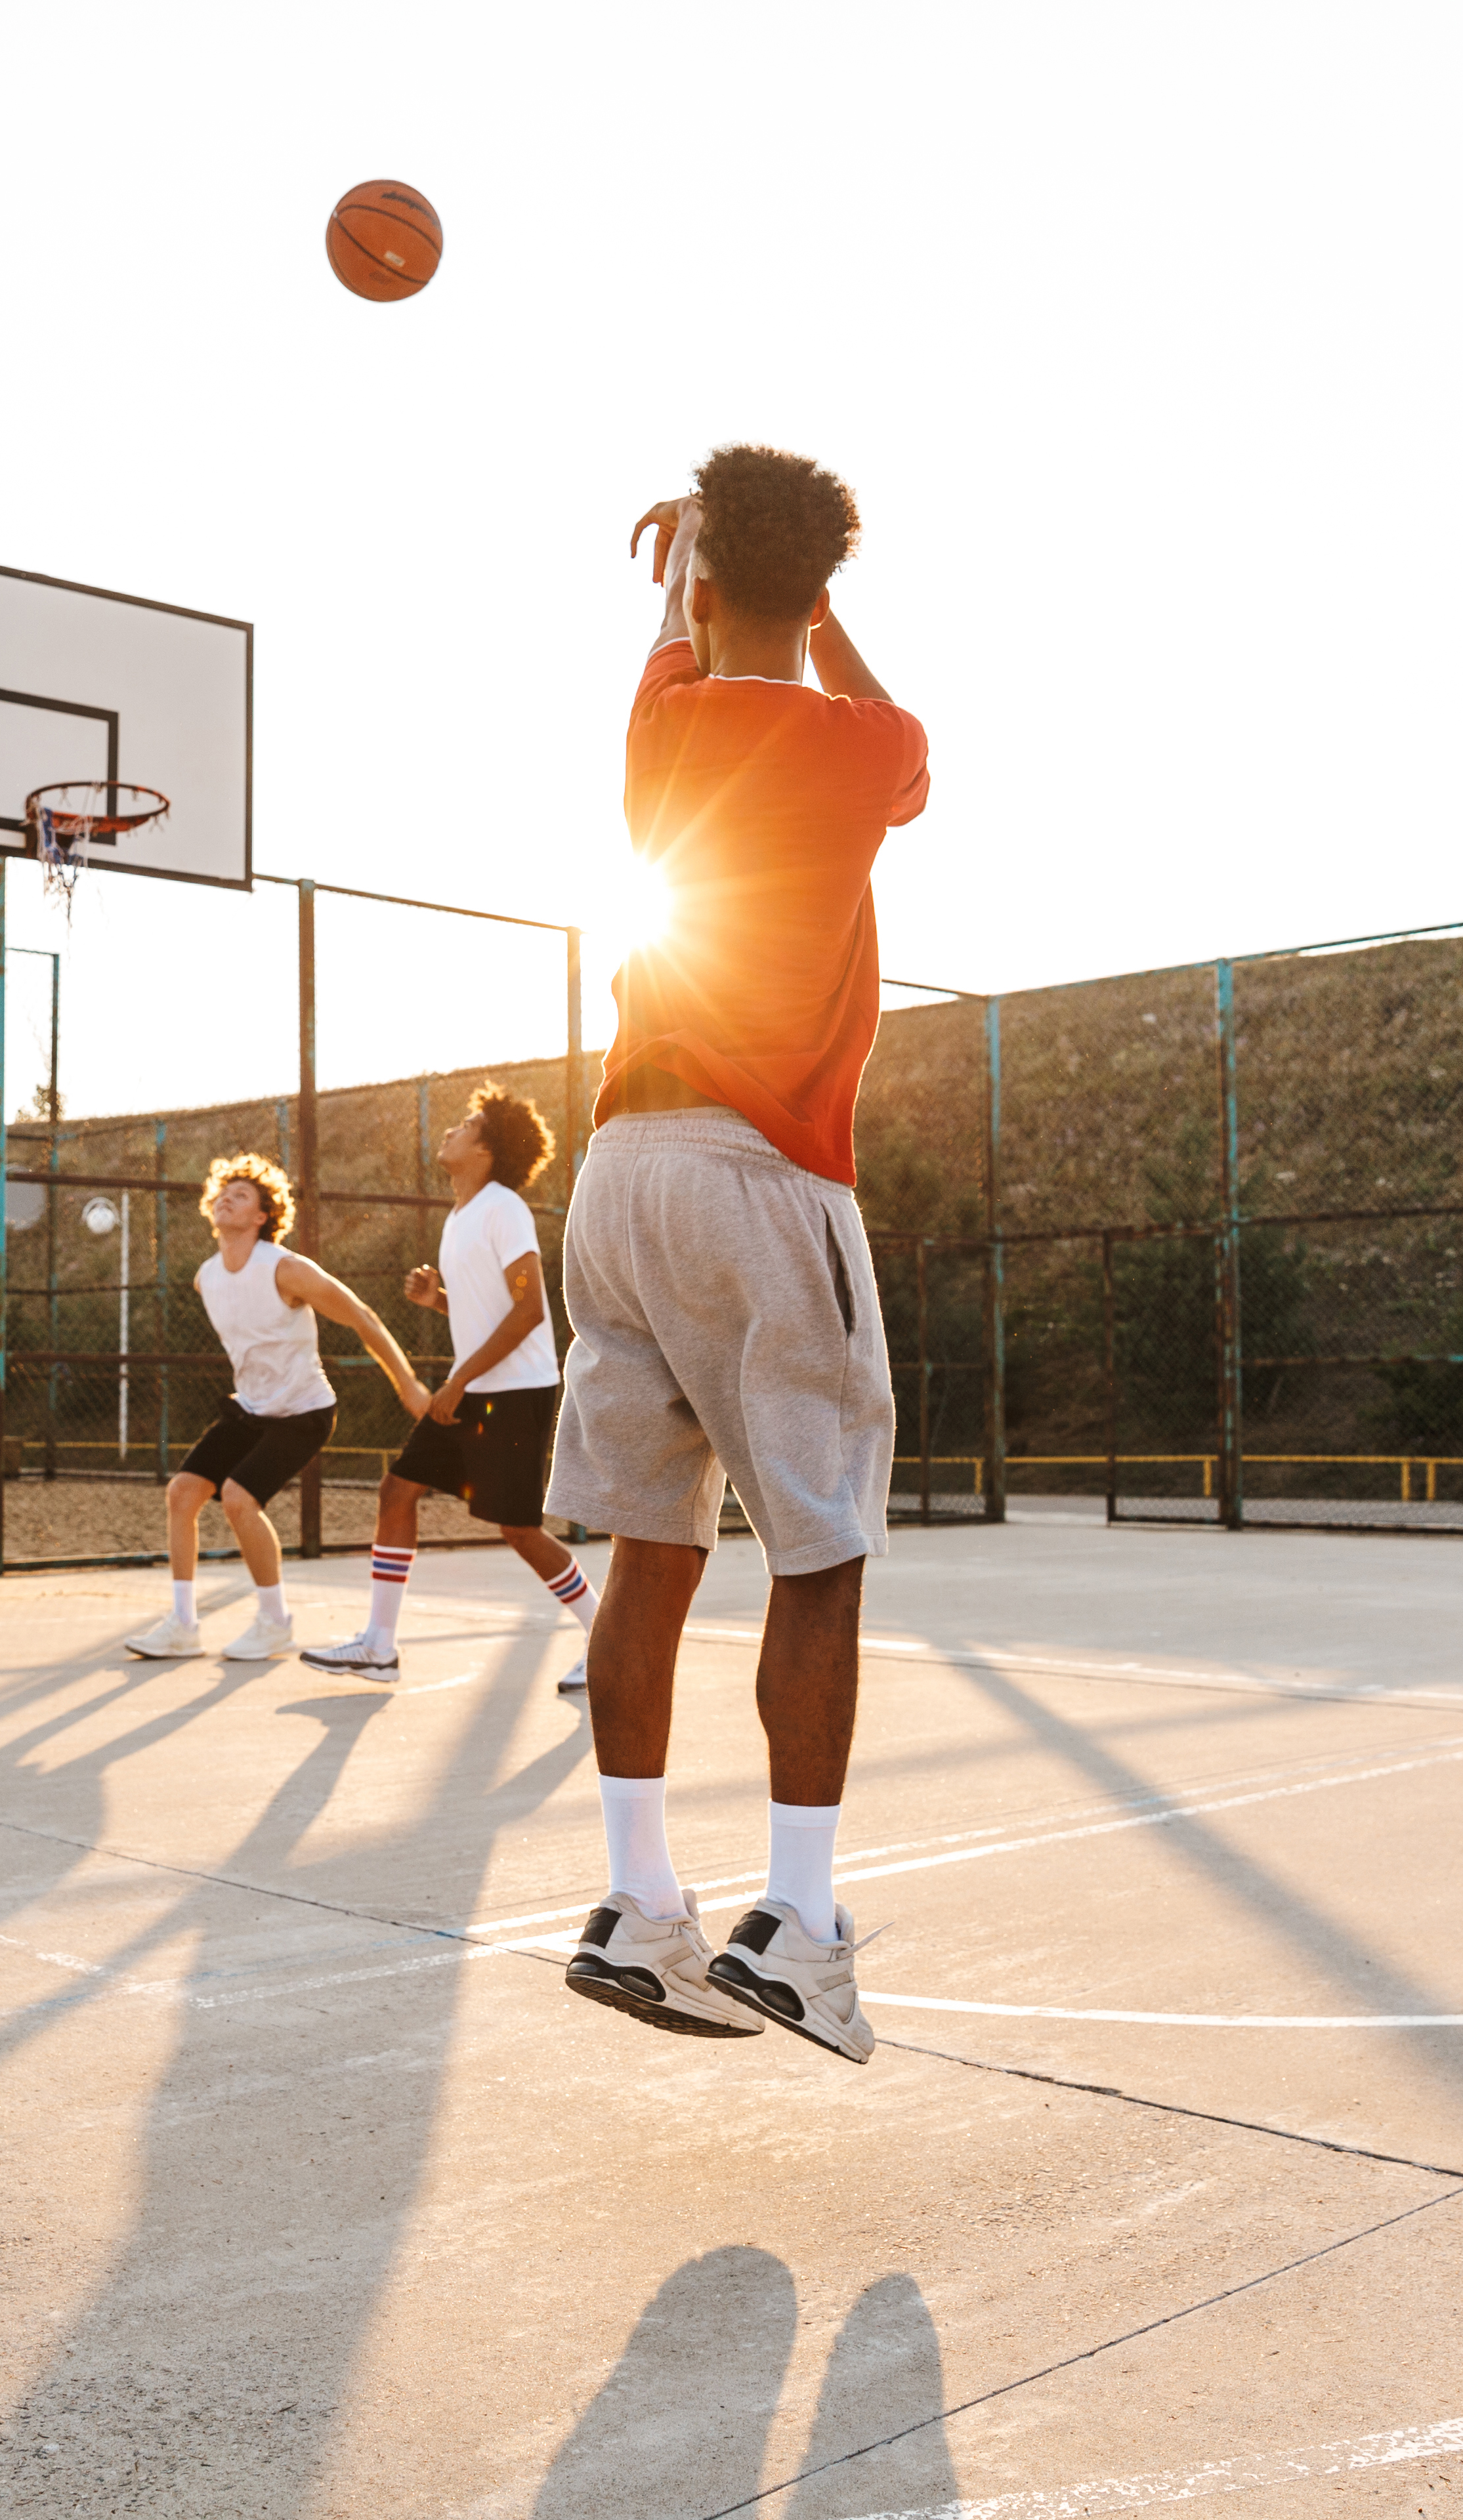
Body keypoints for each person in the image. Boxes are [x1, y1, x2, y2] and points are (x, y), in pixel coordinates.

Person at [548, 446, 928, 2063]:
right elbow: (896, 748)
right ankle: (798, 1919)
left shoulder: (659, 723)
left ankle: (640, 1900)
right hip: (764, 1176)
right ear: (820, 588)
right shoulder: (868, 747)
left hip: (617, 1174)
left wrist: (683, 561)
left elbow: (681, 633)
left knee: (648, 1544)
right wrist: (805, 603)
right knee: (819, 1547)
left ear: (699, 588)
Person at [302, 1086, 600, 1690]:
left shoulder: (504, 1208)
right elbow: (488, 1310)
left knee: (518, 1529)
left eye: (466, 1125)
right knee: (397, 1491)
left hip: (513, 1394)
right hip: (475, 1390)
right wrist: (436, 1300)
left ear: (487, 1149)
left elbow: (529, 1313)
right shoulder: (461, 1216)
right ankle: (379, 1647)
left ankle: (607, 1640)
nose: (451, 1132)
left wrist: (457, 1381)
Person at [122, 1154, 429, 1664]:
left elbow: (363, 1317)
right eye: (223, 1192)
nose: (227, 1198)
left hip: (304, 1411)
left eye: (241, 1195)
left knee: (240, 1498)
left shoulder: (287, 1270)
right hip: (251, 1409)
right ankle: (182, 1625)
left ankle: (275, 1622)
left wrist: (409, 1384)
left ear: (263, 1216)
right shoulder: (206, 1277)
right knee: (183, 1493)